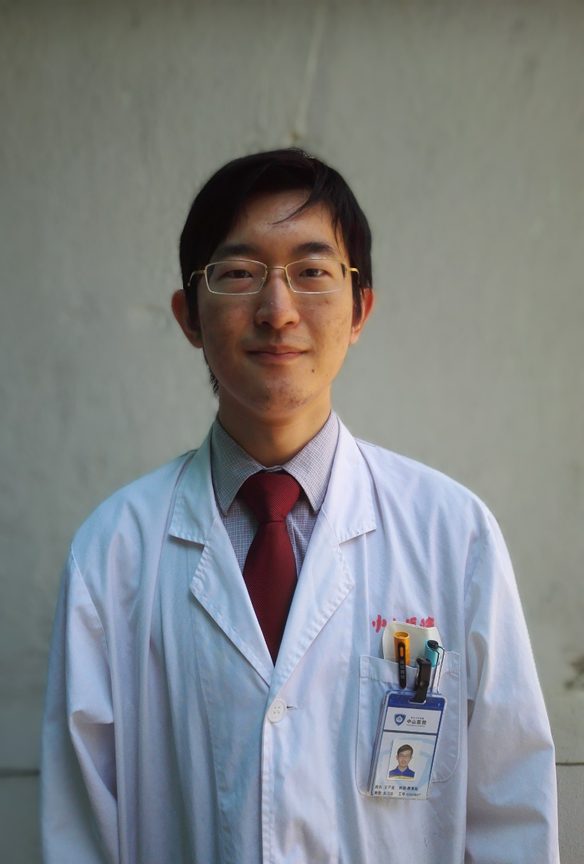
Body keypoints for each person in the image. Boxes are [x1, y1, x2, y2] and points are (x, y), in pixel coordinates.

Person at [41, 149, 560, 863]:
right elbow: (80, 830)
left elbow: (511, 815)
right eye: (239, 273)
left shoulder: (453, 534)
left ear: (360, 310)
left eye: (312, 272)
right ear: (189, 316)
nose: (277, 310)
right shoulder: (113, 552)